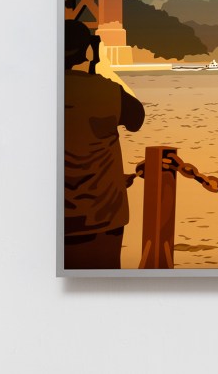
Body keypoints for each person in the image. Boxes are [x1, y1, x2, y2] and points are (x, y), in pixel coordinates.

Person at [63, 19, 145, 269]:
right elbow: (136, 119)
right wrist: (101, 70)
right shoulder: (106, 91)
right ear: (88, 50)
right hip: (103, 215)